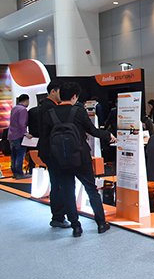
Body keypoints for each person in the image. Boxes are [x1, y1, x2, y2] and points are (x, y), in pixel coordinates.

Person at [41, 82, 117, 237]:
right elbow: (93, 131)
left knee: (68, 192)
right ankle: (101, 224)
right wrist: (108, 135)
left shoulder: (50, 114)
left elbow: (46, 139)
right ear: (74, 96)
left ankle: (76, 227)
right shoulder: (78, 111)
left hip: (60, 160)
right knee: (91, 190)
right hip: (81, 158)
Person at [37, 82, 70, 228]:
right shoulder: (49, 107)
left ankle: (58, 216)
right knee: (58, 183)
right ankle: (58, 216)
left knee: (57, 183)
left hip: (49, 150)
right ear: (53, 91)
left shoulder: (45, 106)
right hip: (52, 151)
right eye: (59, 91)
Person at [8, 94, 33, 179]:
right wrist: (26, 133)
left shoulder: (14, 108)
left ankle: (15, 173)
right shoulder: (23, 110)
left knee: (13, 155)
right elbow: (22, 124)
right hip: (18, 135)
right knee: (20, 155)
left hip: (11, 135)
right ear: (26, 101)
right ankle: (19, 173)